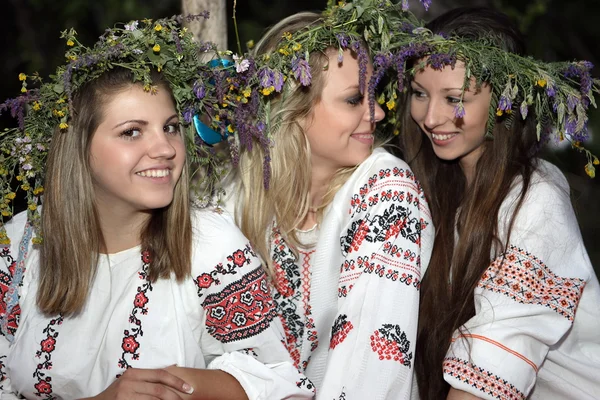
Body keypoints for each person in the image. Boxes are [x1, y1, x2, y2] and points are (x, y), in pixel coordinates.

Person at [0, 17, 314, 400]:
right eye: (132, 131)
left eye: (169, 127)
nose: (165, 148)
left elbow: (279, 380)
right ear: (78, 148)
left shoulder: (211, 247)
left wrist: (175, 387)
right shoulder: (19, 247)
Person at [220, 7, 435, 399]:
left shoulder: (387, 189)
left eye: (373, 95)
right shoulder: (237, 197)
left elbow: (372, 366)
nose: (381, 111)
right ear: (294, 111)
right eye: (355, 100)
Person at [392, 7, 600, 400]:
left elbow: (492, 358)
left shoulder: (536, 201)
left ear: (505, 100)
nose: (431, 117)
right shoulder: (427, 186)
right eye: (419, 94)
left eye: (455, 98)